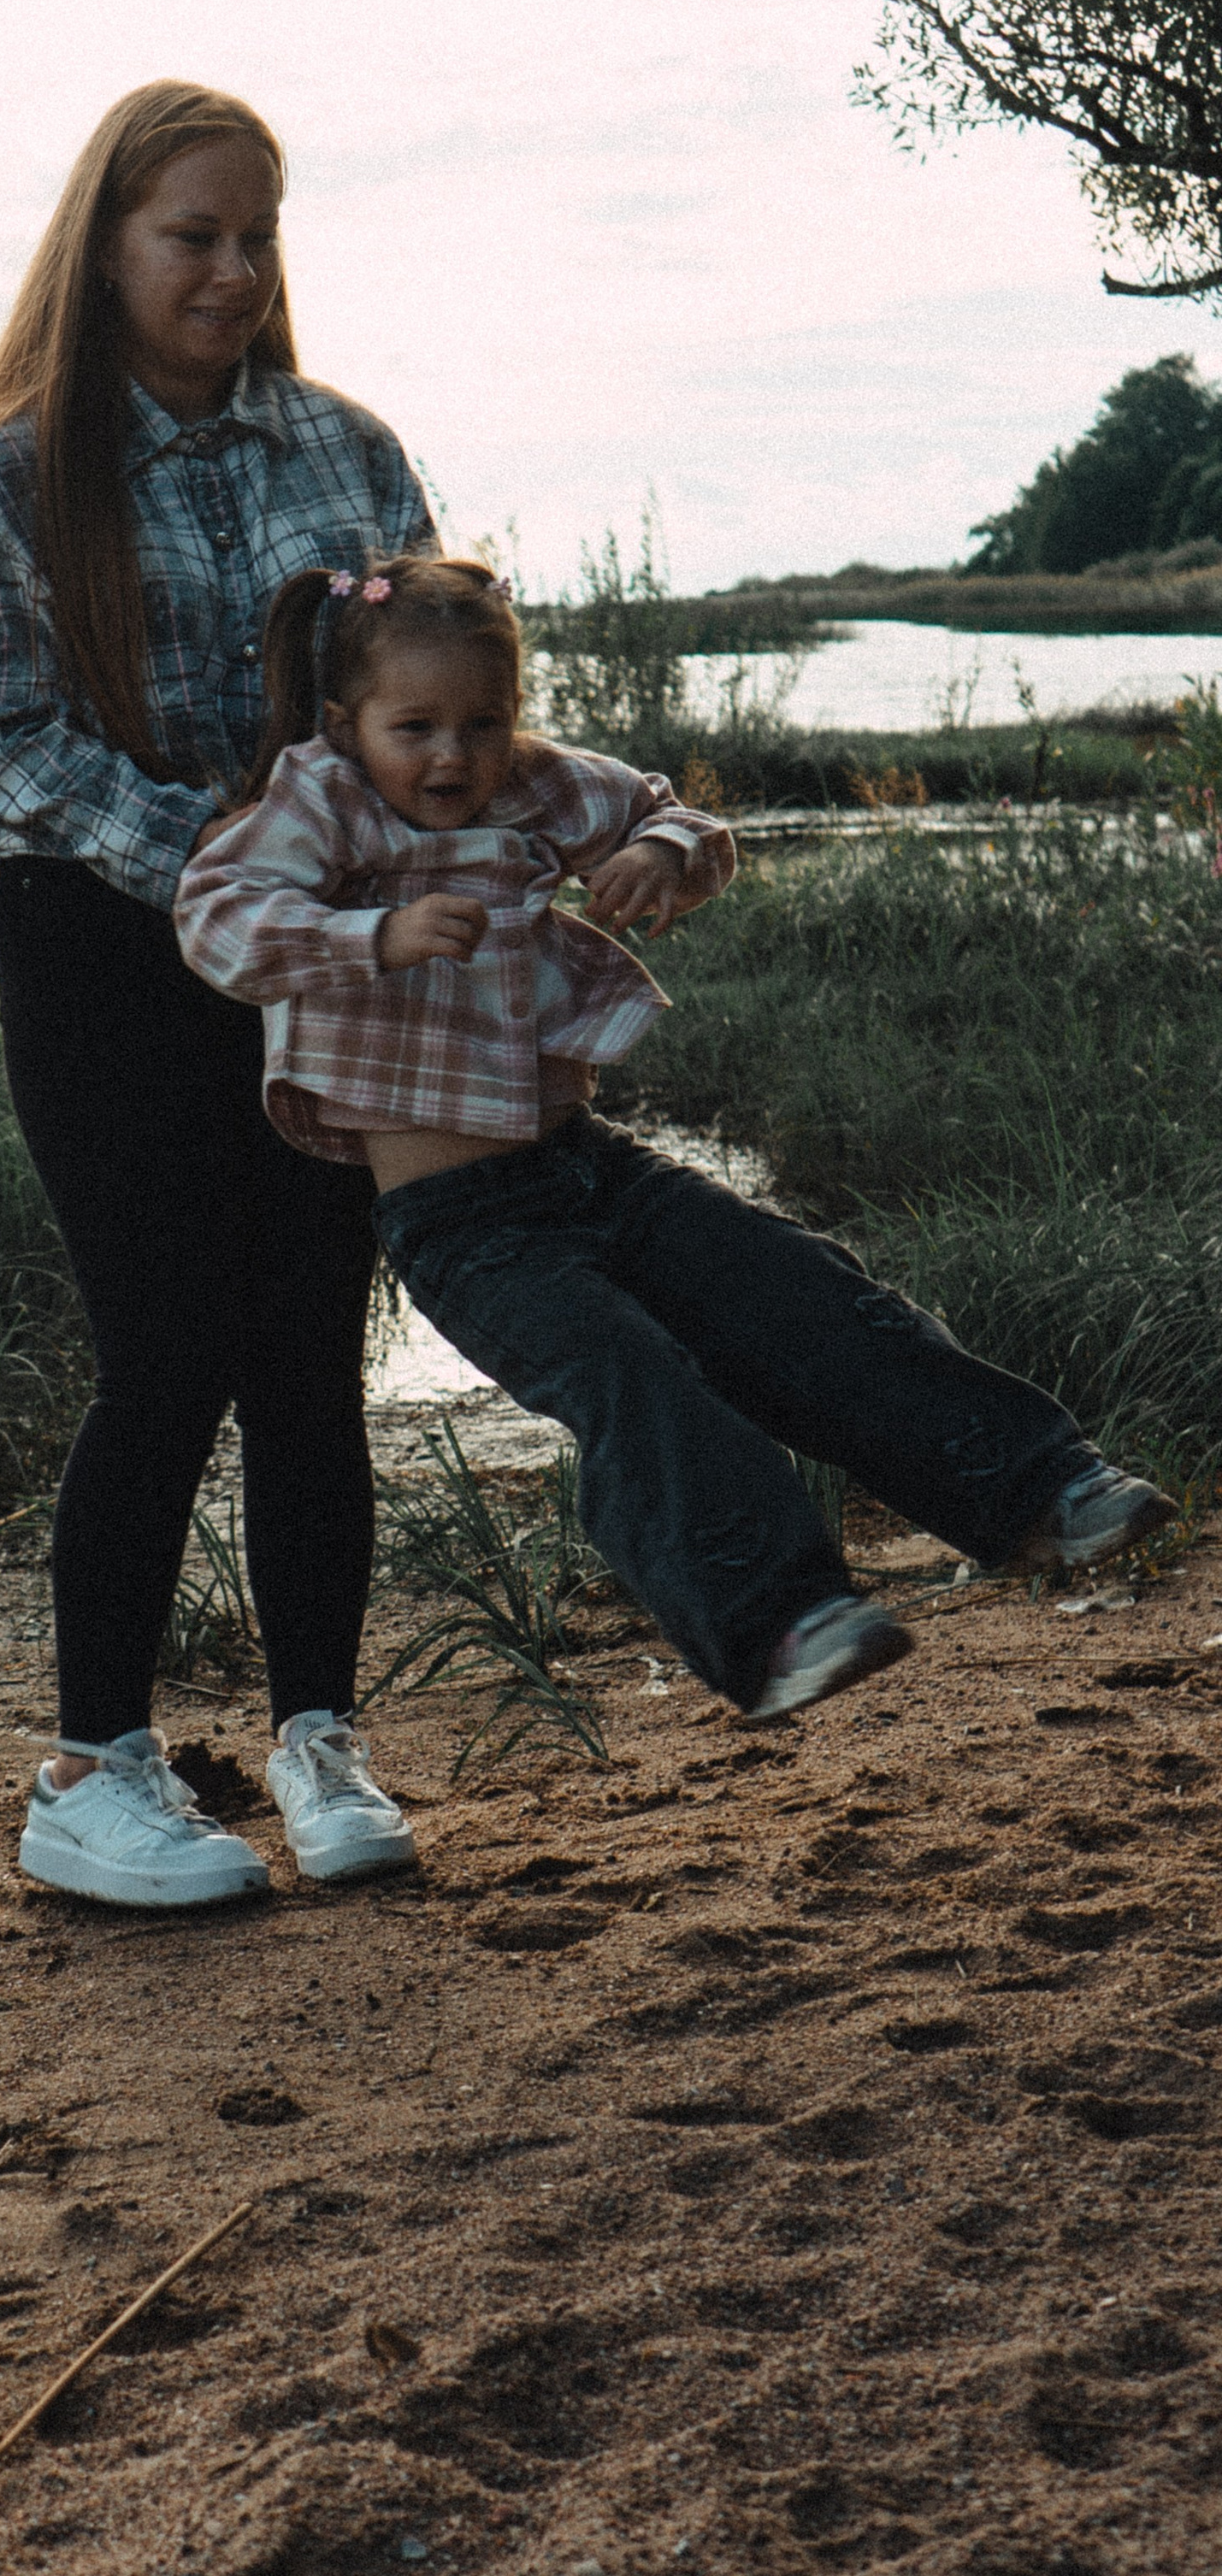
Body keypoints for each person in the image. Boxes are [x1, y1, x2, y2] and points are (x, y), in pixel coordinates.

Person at [0, 81, 427, 1904]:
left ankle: (316, 1744)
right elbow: (4, 747)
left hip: (315, 964)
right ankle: (88, 1775)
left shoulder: (347, 456)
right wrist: (226, 853)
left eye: (253, 234)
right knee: (164, 1353)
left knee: (306, 1361)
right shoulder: (10, 484)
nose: (227, 268)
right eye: (188, 235)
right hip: (107, 962)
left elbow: (426, 687)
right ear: (104, 247)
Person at [175, 554, 1176, 1720]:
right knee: (638, 1386)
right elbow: (214, 919)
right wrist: (375, 937)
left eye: (482, 723)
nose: (453, 755)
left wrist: (661, 850)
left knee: (800, 1294)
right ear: (350, 725)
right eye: (418, 727)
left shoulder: (529, 783)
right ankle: (778, 1624)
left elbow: (674, 810)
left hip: (592, 1168)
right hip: (465, 1228)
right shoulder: (322, 800)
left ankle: (1041, 1491)